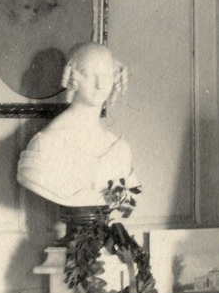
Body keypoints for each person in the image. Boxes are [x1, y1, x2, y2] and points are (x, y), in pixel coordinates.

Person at [16, 42, 136, 209]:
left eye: (106, 75)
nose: (100, 84)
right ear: (73, 77)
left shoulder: (119, 149)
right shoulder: (46, 145)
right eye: (89, 74)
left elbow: (127, 199)